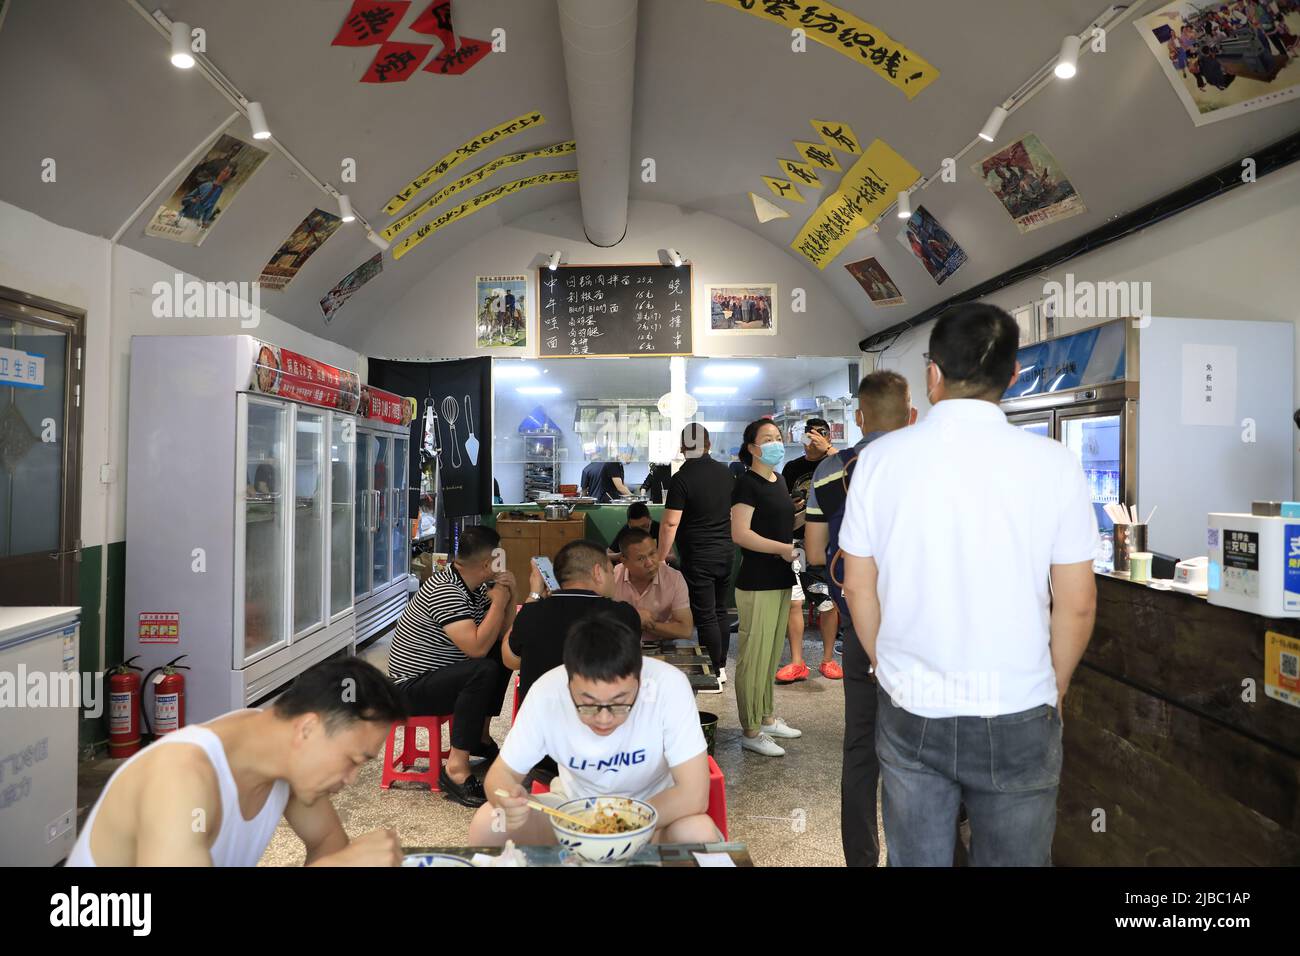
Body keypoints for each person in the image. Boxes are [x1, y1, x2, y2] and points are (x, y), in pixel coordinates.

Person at [840, 304, 1098, 866]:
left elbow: (858, 585)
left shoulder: (880, 461)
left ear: (932, 375)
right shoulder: (1054, 464)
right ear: (1012, 376)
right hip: (1019, 709)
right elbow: (1076, 606)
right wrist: (1050, 690)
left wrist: (887, 665)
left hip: (912, 706)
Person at [68, 658, 406, 866]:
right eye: (353, 760)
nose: (351, 779)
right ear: (308, 728)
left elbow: (327, 842)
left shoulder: (284, 759)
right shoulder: (179, 777)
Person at [470, 616, 718, 845]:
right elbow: (499, 776)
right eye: (587, 704)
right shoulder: (547, 692)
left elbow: (694, 794)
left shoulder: (668, 685)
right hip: (571, 815)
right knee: (490, 822)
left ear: (639, 681)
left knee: (697, 832)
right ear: (568, 683)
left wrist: (620, 824)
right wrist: (506, 798)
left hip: (653, 818)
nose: (604, 718)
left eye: (620, 702)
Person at [804, 371, 916, 867]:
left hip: (860, 627)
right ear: (911, 416)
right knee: (921, 754)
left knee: (860, 749)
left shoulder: (829, 471)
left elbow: (813, 550)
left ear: (859, 417)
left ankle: (861, 860)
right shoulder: (928, 464)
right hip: (922, 633)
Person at [387, 525, 518, 808]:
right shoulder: (446, 590)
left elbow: (502, 635)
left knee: (502, 656)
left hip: (438, 675)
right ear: (487, 563)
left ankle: (479, 737)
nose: (501, 561)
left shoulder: (474, 587)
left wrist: (508, 596)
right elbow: (476, 648)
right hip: (408, 688)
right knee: (483, 669)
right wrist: (499, 603)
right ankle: (456, 769)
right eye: (499, 556)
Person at [730, 418, 802, 756]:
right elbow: (741, 534)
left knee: (772, 653)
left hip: (781, 577)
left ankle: (767, 716)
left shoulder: (779, 479)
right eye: (768, 438)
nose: (776, 442)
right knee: (753, 658)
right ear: (752, 447)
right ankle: (750, 729)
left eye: (778, 437)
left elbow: (781, 523)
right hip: (757, 580)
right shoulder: (747, 484)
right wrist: (782, 549)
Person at [503, 539, 640, 704]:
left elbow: (510, 659)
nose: (613, 580)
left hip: (543, 721)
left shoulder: (531, 613)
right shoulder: (623, 614)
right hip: (599, 720)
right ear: (598, 572)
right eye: (611, 572)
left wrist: (534, 594)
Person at [658, 424, 735, 693]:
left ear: (682, 448)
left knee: (705, 615)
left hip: (698, 554)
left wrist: (662, 555)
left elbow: (670, 524)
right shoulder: (726, 474)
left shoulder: (681, 478)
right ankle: (722, 666)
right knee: (720, 610)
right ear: (709, 444)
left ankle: (713, 673)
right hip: (726, 552)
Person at [776, 417, 841, 684]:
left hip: (827, 543)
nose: (810, 441)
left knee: (828, 602)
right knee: (795, 601)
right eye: (807, 436)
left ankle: (828, 659)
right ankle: (796, 661)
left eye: (817, 436)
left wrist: (828, 450)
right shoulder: (792, 467)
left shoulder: (835, 463)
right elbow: (783, 503)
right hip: (796, 541)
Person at [614, 528, 694, 642]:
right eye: (641, 558)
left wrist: (646, 624)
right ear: (624, 561)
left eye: (652, 553)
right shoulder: (613, 577)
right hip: (620, 644)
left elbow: (685, 630)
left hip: (660, 644)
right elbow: (597, 619)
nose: (650, 563)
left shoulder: (674, 578)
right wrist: (633, 617)